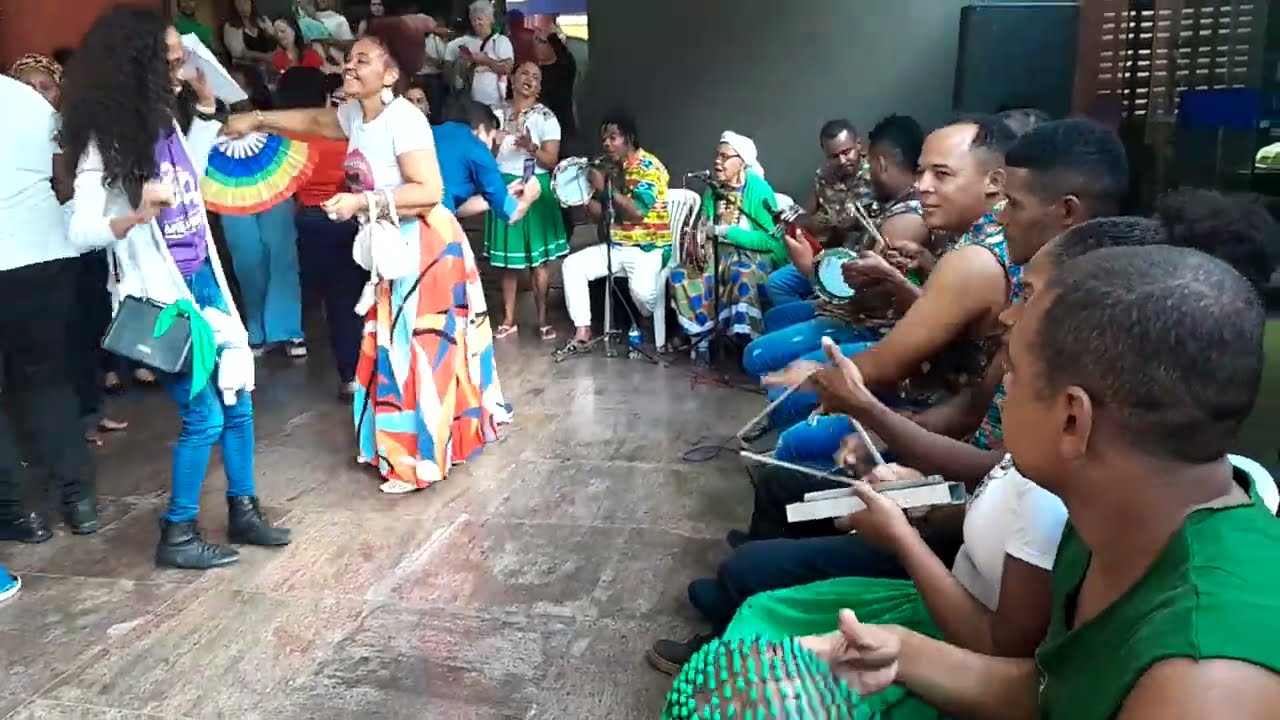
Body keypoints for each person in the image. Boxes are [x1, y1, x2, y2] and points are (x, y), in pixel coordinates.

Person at [802, 244, 1280, 720]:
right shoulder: (1123, 508)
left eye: (1012, 373)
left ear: (1073, 419)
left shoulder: (1202, 688)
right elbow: (1055, 690)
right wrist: (901, 652)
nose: (1002, 392)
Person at [223, 32, 512, 494]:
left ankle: (418, 460)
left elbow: (429, 192)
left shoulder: (405, 119)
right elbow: (318, 121)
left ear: (390, 74)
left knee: (417, 352)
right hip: (390, 248)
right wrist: (258, 120)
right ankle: (410, 448)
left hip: (423, 248)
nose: (349, 67)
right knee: (398, 349)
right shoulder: (358, 114)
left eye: (362, 60)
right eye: (348, 60)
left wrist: (360, 204)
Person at [62, 6, 291, 568]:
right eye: (166, 62)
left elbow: (189, 173)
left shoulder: (161, 123)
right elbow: (80, 230)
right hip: (163, 304)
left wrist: (208, 109)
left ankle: (244, 509)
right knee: (205, 416)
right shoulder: (102, 141)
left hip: (204, 284)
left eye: (177, 59)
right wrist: (137, 214)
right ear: (135, 65)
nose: (176, 70)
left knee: (237, 398)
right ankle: (177, 534)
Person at [743, 114, 932, 381]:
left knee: (756, 356)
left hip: (866, 324)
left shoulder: (905, 219)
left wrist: (810, 268)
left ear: (876, 161)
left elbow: (864, 296)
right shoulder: (887, 201)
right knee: (775, 313)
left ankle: (792, 389)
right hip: (842, 282)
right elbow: (808, 217)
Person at [0, 73, 99, 544]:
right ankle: (79, 501)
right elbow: (65, 178)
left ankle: (21, 513)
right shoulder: (25, 98)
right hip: (45, 256)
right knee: (49, 379)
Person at [276, 66, 364, 397]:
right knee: (348, 298)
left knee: (327, 297)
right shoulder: (348, 132)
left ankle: (341, 369)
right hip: (345, 215)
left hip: (308, 219)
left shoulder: (291, 139)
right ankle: (355, 374)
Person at [555, 111, 672, 356]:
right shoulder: (612, 169)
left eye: (613, 137)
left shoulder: (650, 167)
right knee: (572, 266)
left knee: (642, 293)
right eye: (604, 139)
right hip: (617, 246)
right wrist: (585, 200)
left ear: (629, 138)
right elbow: (604, 215)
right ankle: (583, 332)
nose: (606, 143)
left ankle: (647, 319)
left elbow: (637, 212)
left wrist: (604, 189)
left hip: (648, 248)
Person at [218, 68, 307, 358]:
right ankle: (255, 329)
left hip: (274, 188)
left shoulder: (272, 118)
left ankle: (289, 330)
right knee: (247, 259)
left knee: (282, 256)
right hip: (230, 193)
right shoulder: (209, 119)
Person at [669, 131, 784, 344]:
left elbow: (770, 240)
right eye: (717, 155)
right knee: (681, 275)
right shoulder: (713, 190)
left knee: (741, 272)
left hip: (756, 255)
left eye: (724, 157)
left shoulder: (759, 190)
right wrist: (701, 243)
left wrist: (727, 232)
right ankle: (702, 335)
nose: (717, 161)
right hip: (719, 254)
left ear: (741, 162)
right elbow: (705, 223)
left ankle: (744, 340)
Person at [485, 61, 569, 341]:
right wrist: (496, 142)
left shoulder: (546, 117)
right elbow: (486, 155)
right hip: (504, 185)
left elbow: (551, 160)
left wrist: (530, 146)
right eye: (524, 74)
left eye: (536, 77)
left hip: (534, 184)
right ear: (512, 78)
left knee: (539, 261)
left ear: (540, 86)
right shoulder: (496, 113)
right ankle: (508, 319)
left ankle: (543, 319)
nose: (529, 80)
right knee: (508, 261)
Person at [763, 119, 876, 313]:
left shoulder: (875, 174)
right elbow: (806, 217)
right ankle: (817, 314)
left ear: (859, 145)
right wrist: (809, 222)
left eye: (846, 152)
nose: (841, 161)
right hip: (827, 254)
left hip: (861, 258)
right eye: (833, 156)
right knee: (776, 283)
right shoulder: (823, 177)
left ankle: (826, 313)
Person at [434, 98, 540, 221]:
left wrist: (499, 195)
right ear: (481, 130)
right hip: (436, 227)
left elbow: (456, 207)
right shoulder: (476, 147)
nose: (491, 147)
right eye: (492, 138)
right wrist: (529, 197)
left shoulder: (430, 133)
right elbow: (511, 213)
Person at [445, 0, 515, 111]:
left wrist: (486, 60)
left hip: (496, 103)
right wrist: (466, 64)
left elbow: (507, 68)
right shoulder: (471, 43)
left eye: (480, 19)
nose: (476, 23)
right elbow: (463, 75)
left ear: (490, 20)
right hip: (474, 102)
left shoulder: (501, 41)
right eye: (473, 20)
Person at [533, 26, 577, 146]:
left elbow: (561, 50)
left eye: (541, 42)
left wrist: (551, 35)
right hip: (542, 125)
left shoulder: (565, 65)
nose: (537, 46)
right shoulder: (536, 72)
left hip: (563, 123)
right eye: (536, 42)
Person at [223, 0, 276, 71]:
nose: (243, 6)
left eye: (245, 2)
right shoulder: (231, 26)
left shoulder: (262, 20)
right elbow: (239, 53)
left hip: (270, 65)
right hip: (246, 68)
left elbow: (275, 37)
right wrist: (266, 57)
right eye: (239, 3)